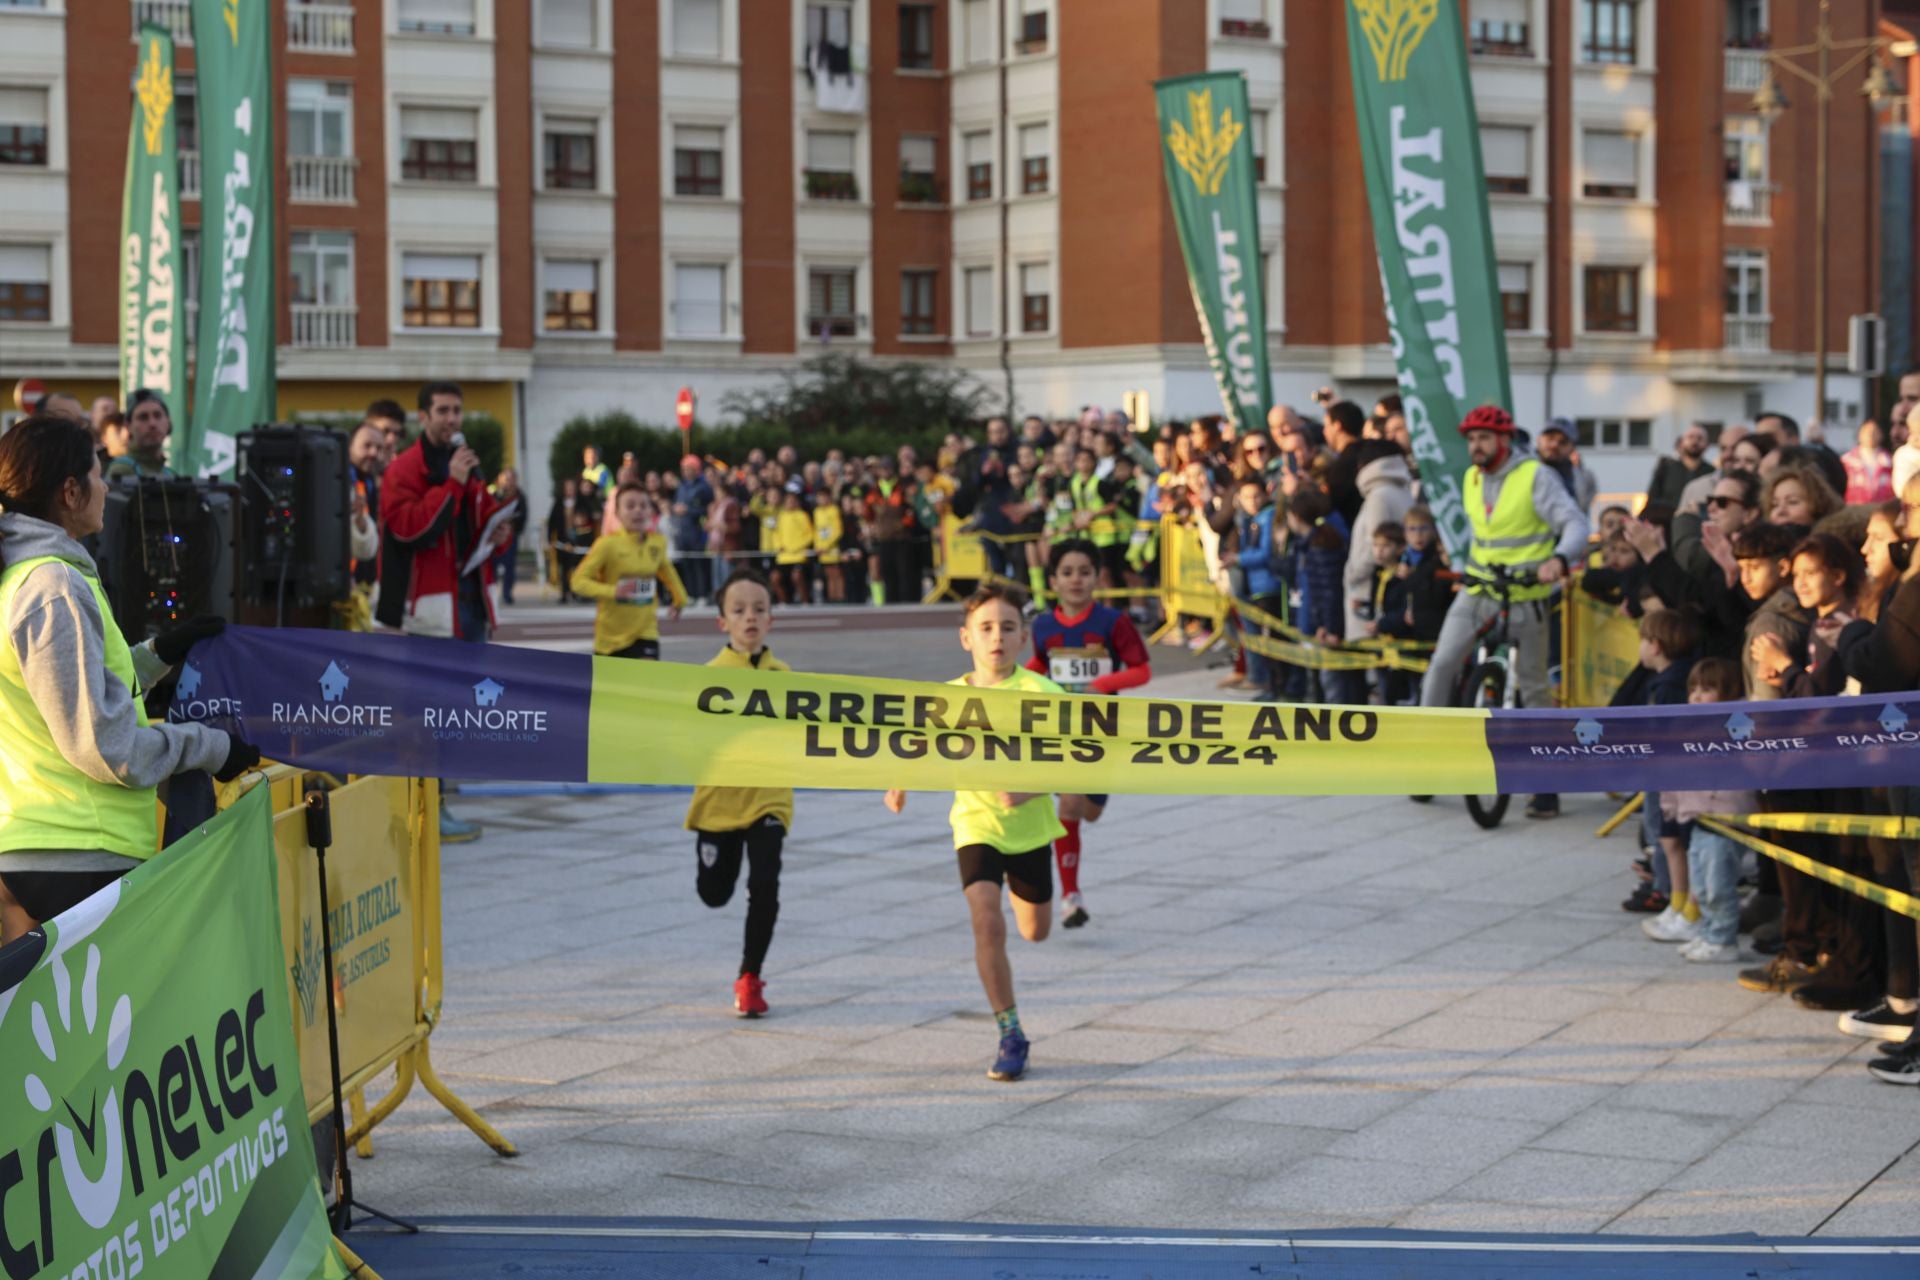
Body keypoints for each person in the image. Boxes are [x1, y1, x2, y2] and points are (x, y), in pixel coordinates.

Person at [0, 414, 259, 946]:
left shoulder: (22, 577)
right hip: (78, 853)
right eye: (97, 475)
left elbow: (62, 694)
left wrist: (159, 653)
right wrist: (211, 746)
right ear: (70, 493)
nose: (107, 486)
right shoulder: (52, 586)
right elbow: (107, 746)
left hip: (45, 848)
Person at [884, 585, 1064, 1082]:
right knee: (986, 921)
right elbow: (916, 744)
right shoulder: (950, 697)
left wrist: (1032, 789)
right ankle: (1011, 1032)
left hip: (1029, 830)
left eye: (1008, 628)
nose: (996, 638)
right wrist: (900, 782)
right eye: (985, 628)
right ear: (966, 638)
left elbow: (1080, 758)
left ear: (1024, 638)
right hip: (975, 824)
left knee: (1035, 931)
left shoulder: (1043, 694)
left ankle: (1041, 902)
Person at [1418, 406, 1589, 820]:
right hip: (1478, 590)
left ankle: (1546, 786)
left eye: (1483, 438)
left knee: (1532, 690)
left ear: (1503, 440)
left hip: (1526, 594)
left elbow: (1576, 524)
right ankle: (1421, 762)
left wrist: (1560, 560)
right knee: (1441, 665)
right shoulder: (1472, 477)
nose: (1475, 446)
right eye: (1471, 438)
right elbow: (1485, 536)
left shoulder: (1536, 476)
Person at [378, 382, 511, 842]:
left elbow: (481, 515)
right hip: (429, 615)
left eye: (457, 411)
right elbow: (411, 529)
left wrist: (500, 531)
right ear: (423, 417)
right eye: (442, 411)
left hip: (470, 605)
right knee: (427, 715)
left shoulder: (465, 465)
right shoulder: (403, 469)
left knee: (457, 712)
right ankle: (427, 810)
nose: (452, 419)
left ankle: (441, 795)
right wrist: (453, 483)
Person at [1026, 540, 1151, 930]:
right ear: (1053, 581)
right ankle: (1070, 897)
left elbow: (1141, 670)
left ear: (1098, 577)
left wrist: (1104, 683)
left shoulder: (1114, 622)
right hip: (1062, 731)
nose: (1076, 580)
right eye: (1067, 573)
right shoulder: (1043, 625)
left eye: (1084, 571)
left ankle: (1070, 880)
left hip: (1104, 730)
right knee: (1068, 806)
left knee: (1089, 812)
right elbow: (1037, 665)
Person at [684, 570, 792, 1018]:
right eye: (740, 610)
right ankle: (713, 869)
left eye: (760, 610)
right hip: (718, 803)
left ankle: (750, 976)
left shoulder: (787, 678)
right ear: (722, 622)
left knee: (764, 883)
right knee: (714, 893)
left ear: (771, 620)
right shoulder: (704, 680)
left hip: (769, 799)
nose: (751, 617)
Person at [1662, 657, 1756, 963]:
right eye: (1693, 690)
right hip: (1699, 819)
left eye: (1708, 689)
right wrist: (1671, 807)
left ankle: (1722, 938)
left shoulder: (1738, 726)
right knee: (1701, 884)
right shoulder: (1690, 728)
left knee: (1719, 885)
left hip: (1726, 820)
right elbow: (1675, 774)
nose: (1697, 697)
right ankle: (1707, 932)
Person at [1633, 608, 1704, 945]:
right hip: (1668, 774)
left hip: (1675, 776)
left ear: (1657, 645)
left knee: (1680, 842)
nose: (1640, 648)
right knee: (1668, 840)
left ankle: (1690, 910)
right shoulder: (1666, 681)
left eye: (1643, 641)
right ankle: (1677, 906)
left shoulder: (1672, 685)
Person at [571, 484, 687, 659]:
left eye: (643, 506)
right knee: (611, 687)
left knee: (646, 683)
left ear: (650, 510)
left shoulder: (657, 543)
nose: (638, 511)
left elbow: (667, 572)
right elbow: (578, 582)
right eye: (630, 506)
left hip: (646, 631)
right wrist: (615, 591)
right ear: (617, 513)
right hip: (610, 638)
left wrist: (680, 599)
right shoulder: (607, 545)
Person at [672, 455, 715, 604]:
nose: (686, 471)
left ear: (696, 469)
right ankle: (690, 594)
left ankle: (702, 594)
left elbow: (707, 509)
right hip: (682, 530)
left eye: (689, 468)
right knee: (686, 564)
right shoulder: (681, 486)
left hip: (697, 531)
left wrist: (688, 510)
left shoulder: (704, 487)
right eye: (684, 469)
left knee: (699, 563)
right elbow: (676, 503)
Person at [105, 389, 174, 479]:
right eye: (143, 417)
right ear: (128, 425)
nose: (152, 423)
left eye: (158, 415)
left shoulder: (169, 473)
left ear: (168, 422)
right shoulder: (122, 470)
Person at [1645, 423, 1713, 512]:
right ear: (1682, 442)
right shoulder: (1665, 469)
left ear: (1707, 444)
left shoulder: (1712, 473)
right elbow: (1652, 500)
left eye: (1700, 438)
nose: (1695, 442)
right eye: (1690, 437)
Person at [488, 467, 529, 605]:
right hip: (494, 535)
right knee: (492, 565)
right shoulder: (493, 493)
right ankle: (491, 592)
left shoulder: (519, 496)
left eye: (510, 479)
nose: (507, 482)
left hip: (511, 535)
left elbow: (523, 515)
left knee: (509, 566)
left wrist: (514, 525)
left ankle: (507, 594)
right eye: (505, 479)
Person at [1842, 420, 1895, 504]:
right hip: (1855, 511)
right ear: (1859, 434)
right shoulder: (1847, 461)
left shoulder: (1890, 461)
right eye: (1867, 431)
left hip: (1882, 512)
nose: (1870, 435)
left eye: (1875, 431)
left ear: (1882, 435)